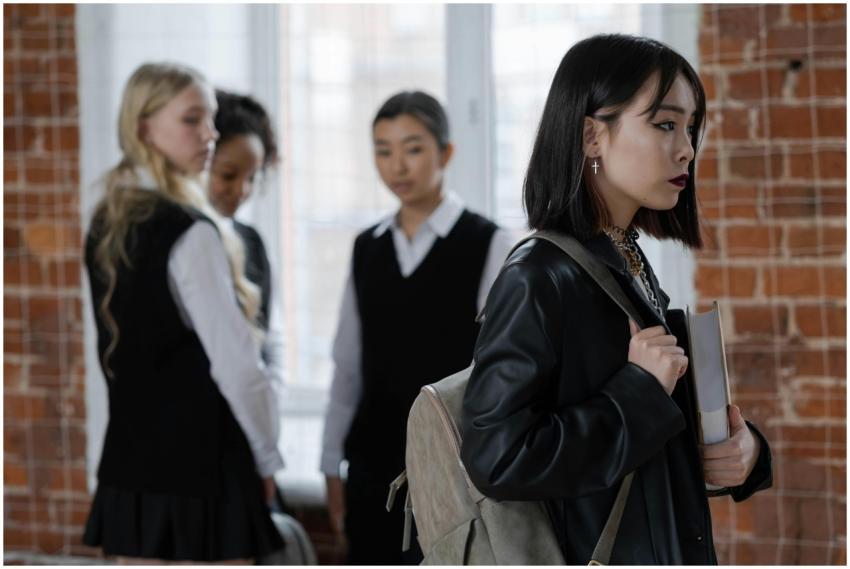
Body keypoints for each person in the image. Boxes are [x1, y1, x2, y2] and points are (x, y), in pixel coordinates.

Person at [460, 34, 773, 565]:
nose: (687, 149)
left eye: (691, 128)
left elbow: (640, 445)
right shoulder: (539, 276)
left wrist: (746, 453)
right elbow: (497, 457)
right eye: (666, 124)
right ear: (591, 137)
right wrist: (638, 391)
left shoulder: (622, 259)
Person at [82, 62, 283, 562]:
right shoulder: (191, 232)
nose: (210, 134)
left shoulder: (106, 220)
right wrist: (267, 460)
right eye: (192, 120)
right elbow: (239, 369)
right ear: (144, 126)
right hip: (205, 479)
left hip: (129, 477)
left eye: (211, 119)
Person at [319, 90, 515, 564]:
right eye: (382, 151)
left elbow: (501, 371)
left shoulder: (490, 243)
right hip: (372, 467)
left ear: (445, 152)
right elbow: (347, 366)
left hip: (454, 463)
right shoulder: (367, 248)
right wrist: (330, 465)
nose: (397, 166)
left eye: (413, 148)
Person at [207, 89, 284, 392]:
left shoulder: (252, 242)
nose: (241, 190)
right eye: (228, 175)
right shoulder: (179, 241)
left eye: (252, 178)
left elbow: (272, 337)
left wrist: (273, 392)